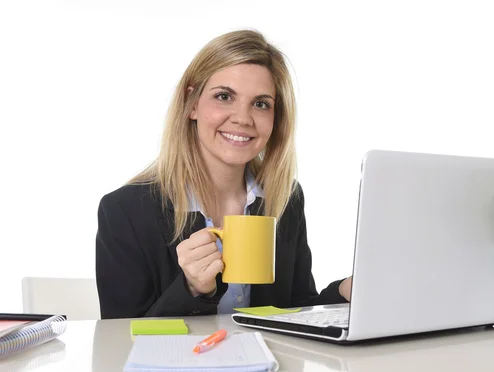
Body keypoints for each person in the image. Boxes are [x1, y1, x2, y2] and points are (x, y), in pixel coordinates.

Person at [95, 29, 352, 319]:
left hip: (270, 365)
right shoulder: (124, 210)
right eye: (224, 96)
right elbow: (118, 340)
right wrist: (192, 289)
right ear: (192, 104)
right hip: (182, 364)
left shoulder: (285, 198)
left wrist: (343, 291)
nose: (243, 118)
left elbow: (294, 307)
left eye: (260, 103)